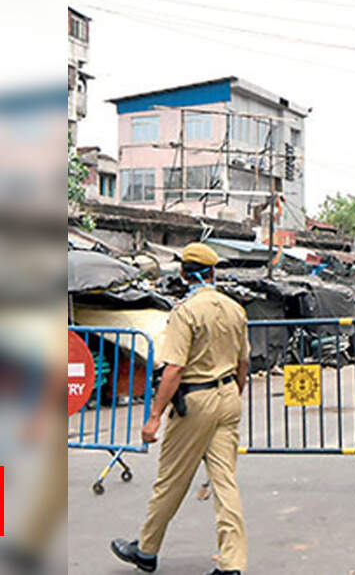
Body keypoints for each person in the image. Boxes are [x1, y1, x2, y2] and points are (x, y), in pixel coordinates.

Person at [111, 242, 250, 575]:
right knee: (225, 483)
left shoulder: (185, 312)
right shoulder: (235, 309)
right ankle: (232, 563)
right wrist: (233, 394)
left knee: (171, 480)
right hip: (228, 395)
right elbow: (244, 362)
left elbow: (174, 369)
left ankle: (146, 550)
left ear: (185, 275)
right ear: (212, 272)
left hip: (196, 401)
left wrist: (154, 417)